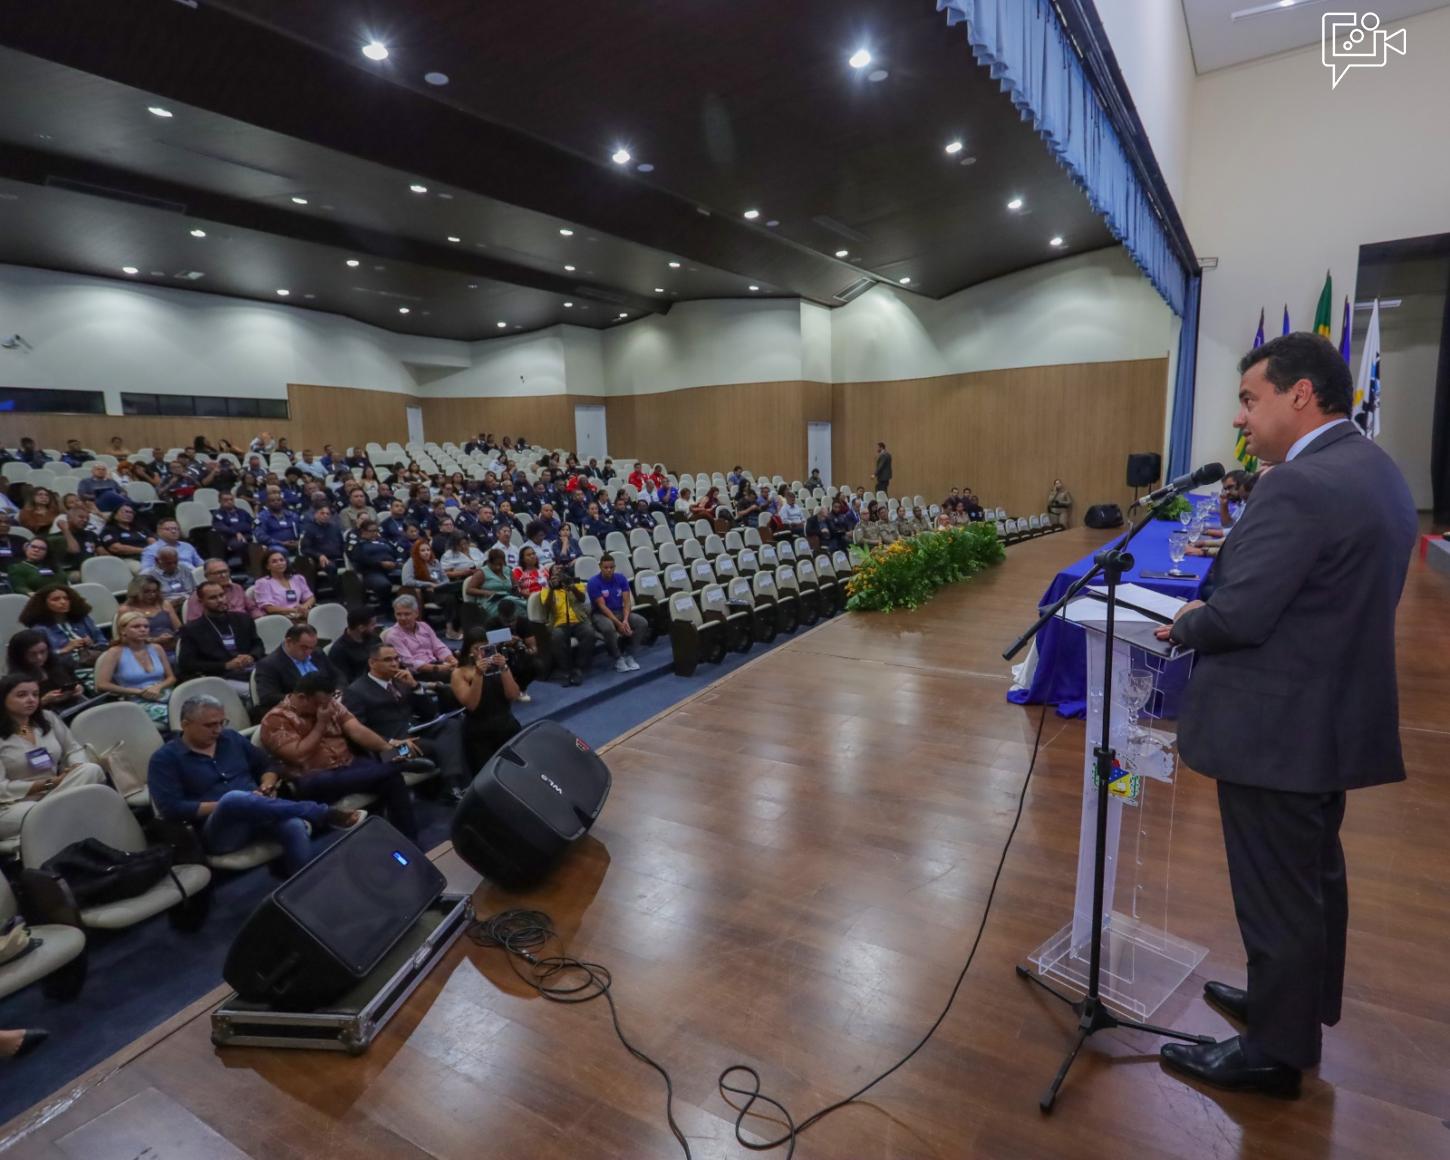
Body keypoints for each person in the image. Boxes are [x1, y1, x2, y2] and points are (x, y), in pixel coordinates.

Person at [1155, 332, 1418, 1097]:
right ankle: (1294, 1009)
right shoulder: (1376, 469)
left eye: (1249, 398)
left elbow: (1239, 616)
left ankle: (1273, 1052)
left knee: (1276, 893)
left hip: (1277, 725)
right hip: (1330, 714)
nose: (1241, 418)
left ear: (1299, 395)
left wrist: (1190, 620)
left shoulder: (1297, 485)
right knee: (1310, 882)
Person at [148, 693, 362, 875]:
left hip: (260, 812)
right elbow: (171, 809)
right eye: (209, 725)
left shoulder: (230, 739)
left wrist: (267, 785)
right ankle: (323, 813)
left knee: (293, 825)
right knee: (234, 799)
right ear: (185, 724)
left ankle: (306, 888)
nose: (217, 730)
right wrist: (229, 804)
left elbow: (267, 764)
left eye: (221, 723)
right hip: (220, 831)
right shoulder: (165, 759)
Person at [258, 675, 418, 842]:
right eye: (320, 704)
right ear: (302, 698)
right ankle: (397, 763)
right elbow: (298, 756)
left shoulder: (329, 704)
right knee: (387, 769)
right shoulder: (276, 720)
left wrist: (388, 749)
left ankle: (409, 842)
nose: (326, 707)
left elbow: (357, 730)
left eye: (328, 702)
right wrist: (321, 724)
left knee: (392, 778)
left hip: (349, 765)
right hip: (314, 777)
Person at [342, 640, 471, 802]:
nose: (395, 663)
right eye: (388, 660)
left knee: (452, 725)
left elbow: (429, 714)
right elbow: (358, 732)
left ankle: (452, 787)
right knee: (439, 744)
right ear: (372, 663)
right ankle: (453, 786)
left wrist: (416, 686)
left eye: (396, 659)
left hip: (415, 732)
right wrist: (390, 743)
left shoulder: (401, 681)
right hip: (387, 751)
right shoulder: (355, 691)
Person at [0, 674, 107, 842]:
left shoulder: (47, 718)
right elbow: (1, 788)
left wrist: (76, 766)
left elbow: (73, 749)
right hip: (14, 805)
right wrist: (51, 783)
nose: (31, 700)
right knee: (42, 813)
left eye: (35, 694)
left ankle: (65, 817)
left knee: (90, 769)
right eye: (22, 695)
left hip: (56, 791)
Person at [449, 628, 523, 770]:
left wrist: (504, 668)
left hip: (506, 723)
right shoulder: (459, 673)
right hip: (480, 732)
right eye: (477, 648)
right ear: (469, 650)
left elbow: (513, 695)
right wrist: (478, 675)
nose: (481, 652)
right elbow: (472, 705)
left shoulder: (499, 666)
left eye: (486, 647)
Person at [93, 611, 176, 724]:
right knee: (177, 715)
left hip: (163, 694)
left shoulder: (157, 648)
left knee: (194, 709)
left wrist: (158, 687)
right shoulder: (115, 652)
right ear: (123, 631)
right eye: (136, 626)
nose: (143, 629)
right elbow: (102, 684)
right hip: (136, 702)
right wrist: (138, 692)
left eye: (146, 626)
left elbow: (171, 678)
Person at [176, 580, 264, 684]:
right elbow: (188, 664)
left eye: (222, 595)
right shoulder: (191, 629)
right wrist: (225, 665)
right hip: (220, 677)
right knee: (257, 691)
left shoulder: (243, 619)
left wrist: (251, 656)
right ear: (201, 602)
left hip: (251, 669)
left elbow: (257, 644)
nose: (220, 600)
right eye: (213, 598)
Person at [586, 554, 649, 672]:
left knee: (642, 622)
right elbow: (602, 606)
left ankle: (630, 655)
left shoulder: (621, 578)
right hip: (600, 614)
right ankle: (618, 658)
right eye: (606, 567)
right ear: (600, 567)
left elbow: (627, 601)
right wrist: (619, 624)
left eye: (611, 567)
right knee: (609, 628)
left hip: (619, 611)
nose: (609, 570)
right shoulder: (593, 582)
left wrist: (625, 620)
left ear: (614, 567)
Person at [253, 623, 336, 712]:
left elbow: (337, 674)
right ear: (289, 642)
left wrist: (339, 690)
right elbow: (268, 697)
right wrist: (308, 699)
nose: (308, 652)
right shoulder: (268, 664)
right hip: (297, 712)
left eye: (312, 647)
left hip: (329, 703)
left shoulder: (317, 652)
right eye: (304, 647)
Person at [20, 585, 104, 668]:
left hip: (96, 660)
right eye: (56, 599)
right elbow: (41, 658)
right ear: (43, 604)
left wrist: (92, 644)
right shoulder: (39, 630)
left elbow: (103, 641)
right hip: (65, 669)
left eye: (66, 598)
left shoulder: (83, 619)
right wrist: (65, 649)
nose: (63, 602)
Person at [538, 562, 593, 686]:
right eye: (555, 569)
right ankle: (566, 669)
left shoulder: (574, 582)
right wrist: (552, 589)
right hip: (559, 623)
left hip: (578, 620)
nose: (558, 570)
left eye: (561, 569)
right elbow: (546, 608)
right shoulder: (546, 588)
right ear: (551, 575)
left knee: (589, 632)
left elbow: (582, 599)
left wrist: (571, 587)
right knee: (557, 636)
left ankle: (579, 667)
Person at [4, 631, 85, 716]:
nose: (39, 657)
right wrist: (44, 701)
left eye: (43, 652)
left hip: (75, 707)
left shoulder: (57, 664)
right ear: (20, 656)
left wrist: (79, 688)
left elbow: (76, 681)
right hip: (47, 717)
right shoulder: (15, 681)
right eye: (32, 654)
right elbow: (17, 713)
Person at [382, 594, 457, 682]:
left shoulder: (424, 626)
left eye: (407, 614)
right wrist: (439, 668)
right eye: (398, 614)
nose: (402, 618)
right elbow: (409, 662)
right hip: (417, 673)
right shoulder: (393, 636)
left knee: (465, 669)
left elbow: (438, 647)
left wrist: (451, 659)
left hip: (436, 664)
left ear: (416, 613)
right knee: (458, 676)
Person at [401, 540, 460, 640]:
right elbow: (407, 581)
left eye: (428, 550)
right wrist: (428, 584)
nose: (426, 552)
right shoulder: (411, 562)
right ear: (417, 552)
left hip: (440, 589)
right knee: (450, 598)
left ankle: (460, 628)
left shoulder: (435, 562)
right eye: (422, 550)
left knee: (459, 595)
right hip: (426, 591)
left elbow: (446, 578)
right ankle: (449, 630)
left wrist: (439, 585)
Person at [116, 574, 181, 656]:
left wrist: (172, 637)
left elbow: (179, 629)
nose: (152, 595)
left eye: (154, 591)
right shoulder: (126, 610)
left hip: (172, 646)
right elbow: (124, 638)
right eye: (147, 592)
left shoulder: (164, 604)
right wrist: (156, 640)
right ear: (136, 592)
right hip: (144, 650)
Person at [183, 559, 261, 622]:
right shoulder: (199, 595)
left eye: (225, 571)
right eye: (218, 573)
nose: (223, 575)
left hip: (244, 628)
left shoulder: (237, 588)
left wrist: (257, 619)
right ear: (207, 576)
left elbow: (253, 609)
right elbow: (194, 622)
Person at [252, 549, 315, 623]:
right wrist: (294, 610)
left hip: (301, 614)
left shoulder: (297, 578)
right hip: (280, 619)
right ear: (267, 566)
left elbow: (311, 598)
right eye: (274, 561)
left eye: (282, 560)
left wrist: (304, 607)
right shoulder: (263, 583)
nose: (279, 563)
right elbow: (269, 608)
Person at [348, 518, 398, 607]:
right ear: (363, 531)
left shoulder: (383, 541)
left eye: (376, 530)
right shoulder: (358, 544)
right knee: (384, 585)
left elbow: (395, 552)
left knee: (410, 580)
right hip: (372, 572)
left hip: (392, 568)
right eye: (372, 531)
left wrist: (395, 562)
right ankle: (387, 610)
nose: (375, 533)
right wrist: (380, 563)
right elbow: (360, 559)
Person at [463, 547, 521, 622]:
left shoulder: (507, 570)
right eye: (495, 564)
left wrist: (516, 588)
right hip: (490, 602)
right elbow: (469, 590)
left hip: (508, 598)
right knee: (514, 604)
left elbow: (515, 586)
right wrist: (486, 592)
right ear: (489, 562)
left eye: (501, 564)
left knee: (513, 602)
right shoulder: (482, 573)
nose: (498, 567)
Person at [326, 605, 378, 685]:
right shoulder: (339, 651)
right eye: (373, 625)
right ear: (361, 628)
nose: (375, 627)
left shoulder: (374, 639)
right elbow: (344, 681)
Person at [98, 504, 153, 571]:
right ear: (115, 515)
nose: (129, 514)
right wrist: (143, 550)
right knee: (145, 571)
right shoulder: (109, 530)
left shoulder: (139, 528)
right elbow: (116, 548)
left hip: (148, 555)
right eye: (126, 512)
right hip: (128, 559)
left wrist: (152, 550)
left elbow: (152, 541)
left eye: (131, 513)